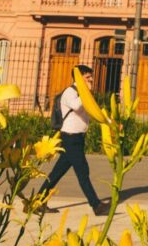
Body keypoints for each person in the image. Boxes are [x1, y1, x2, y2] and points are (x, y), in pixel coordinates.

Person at [38, 66, 110, 215]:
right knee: (82, 171)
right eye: (87, 77)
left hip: (78, 138)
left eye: (91, 77)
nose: (91, 80)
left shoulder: (83, 93)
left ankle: (37, 202)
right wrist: (86, 92)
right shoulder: (70, 93)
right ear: (79, 77)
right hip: (70, 137)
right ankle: (96, 205)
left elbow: (94, 110)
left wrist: (109, 122)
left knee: (57, 173)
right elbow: (77, 106)